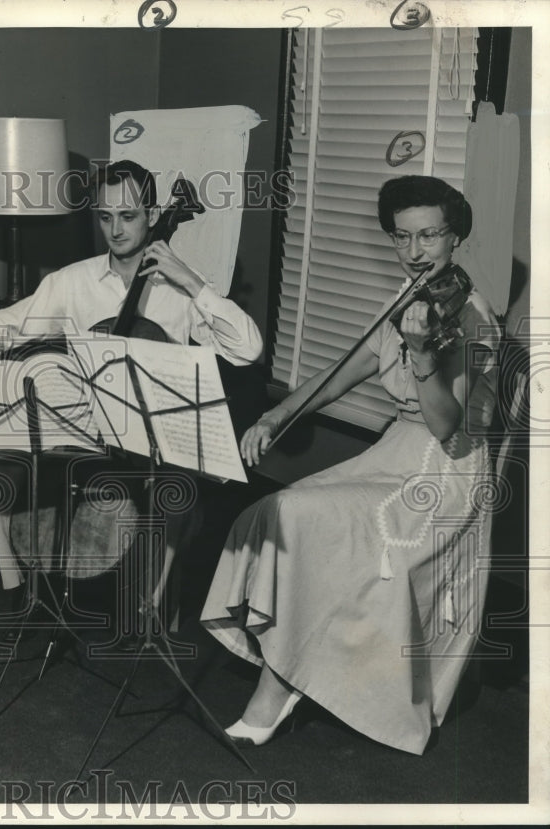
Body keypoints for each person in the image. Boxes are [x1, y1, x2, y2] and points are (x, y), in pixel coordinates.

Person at [199, 175, 501, 754]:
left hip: (446, 473)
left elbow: (445, 424)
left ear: (455, 237)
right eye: (402, 237)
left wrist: (419, 355)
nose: (415, 252)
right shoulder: (405, 300)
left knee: (317, 521)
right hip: (395, 454)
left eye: (429, 236)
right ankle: (293, 661)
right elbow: (340, 374)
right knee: (279, 509)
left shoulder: (471, 317)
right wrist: (275, 416)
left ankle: (281, 682)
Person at [0, 160, 263, 641]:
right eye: (105, 217)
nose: (116, 229)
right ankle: (24, 591)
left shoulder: (180, 289)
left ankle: (153, 601)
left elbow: (247, 349)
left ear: (151, 214)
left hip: (151, 436)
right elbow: (5, 322)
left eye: (127, 215)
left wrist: (191, 281)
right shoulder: (72, 281)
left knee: (179, 488)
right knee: (0, 464)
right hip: (86, 427)